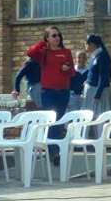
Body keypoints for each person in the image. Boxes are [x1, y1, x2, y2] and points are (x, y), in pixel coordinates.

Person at [27, 26, 75, 164]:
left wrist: (65, 69)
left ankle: (56, 150)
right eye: (53, 35)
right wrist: (43, 43)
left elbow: (72, 71)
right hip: (48, 92)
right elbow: (31, 53)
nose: (57, 38)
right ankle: (53, 152)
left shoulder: (66, 52)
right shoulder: (44, 53)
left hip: (63, 92)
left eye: (58, 35)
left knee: (59, 121)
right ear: (47, 38)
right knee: (51, 121)